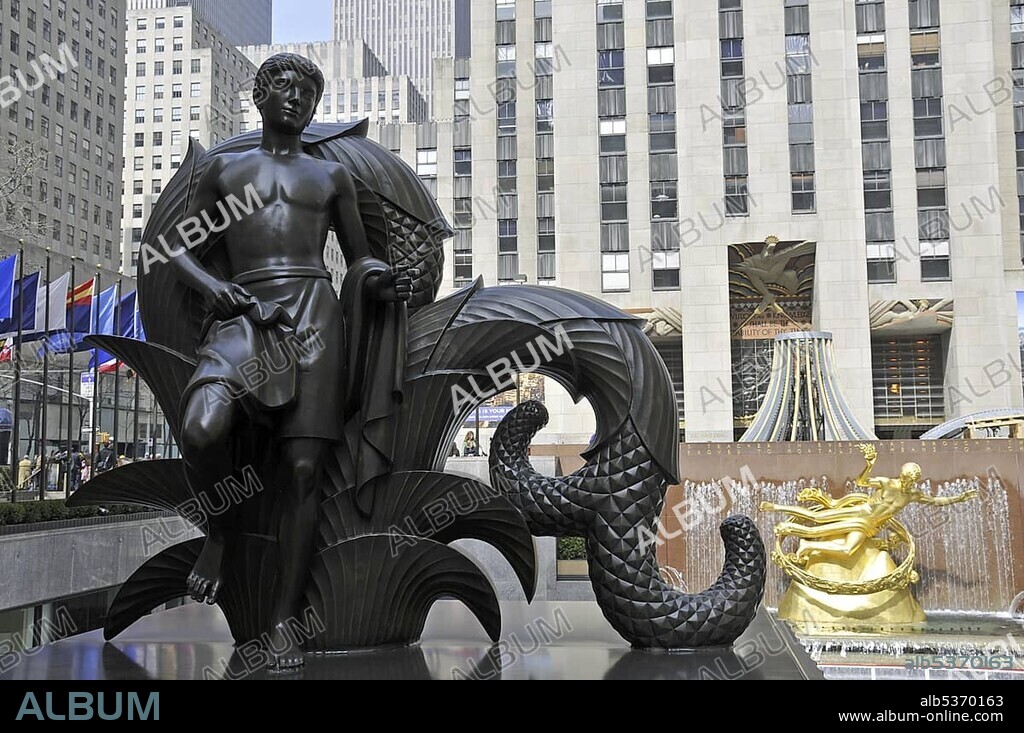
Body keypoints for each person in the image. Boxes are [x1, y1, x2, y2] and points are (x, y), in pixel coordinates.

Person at [166, 52, 414, 670]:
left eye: (307, 89)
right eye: (282, 84)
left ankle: (282, 621)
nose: (295, 96)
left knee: (304, 469)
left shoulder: (332, 179)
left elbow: (358, 259)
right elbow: (176, 247)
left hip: (314, 316)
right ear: (258, 95)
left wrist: (381, 281)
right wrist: (213, 288)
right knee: (201, 426)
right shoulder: (223, 170)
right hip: (242, 313)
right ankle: (219, 533)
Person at [761, 444, 977, 565]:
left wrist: (959, 498)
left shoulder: (912, 495)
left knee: (846, 550)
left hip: (870, 526)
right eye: (905, 477)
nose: (906, 481)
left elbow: (936, 501)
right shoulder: (886, 483)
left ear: (914, 480)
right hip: (861, 512)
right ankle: (776, 507)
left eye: (910, 479)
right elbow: (861, 482)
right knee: (817, 518)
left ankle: (808, 545)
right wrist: (869, 465)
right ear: (901, 474)